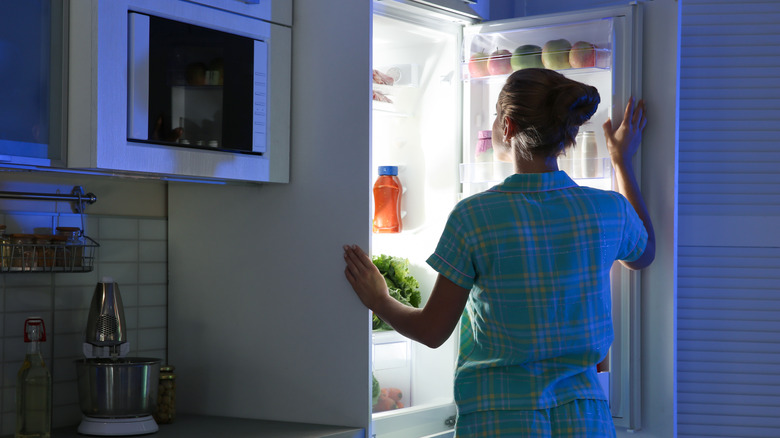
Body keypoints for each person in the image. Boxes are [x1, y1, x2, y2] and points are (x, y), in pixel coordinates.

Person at [343, 68, 655, 437]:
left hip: (499, 419)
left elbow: (431, 330)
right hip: (587, 422)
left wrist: (380, 299)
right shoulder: (608, 210)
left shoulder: (474, 216)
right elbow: (644, 253)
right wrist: (621, 159)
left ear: (506, 126)